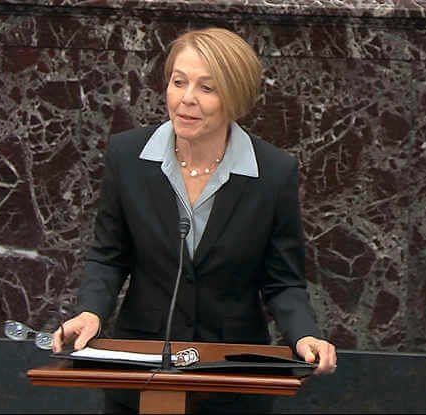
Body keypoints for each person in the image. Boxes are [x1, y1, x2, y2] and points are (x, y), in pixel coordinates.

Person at [53, 27, 337, 413]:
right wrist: (91, 312)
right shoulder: (127, 156)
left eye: (207, 88)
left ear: (234, 98)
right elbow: (108, 255)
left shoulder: (273, 172)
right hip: (143, 368)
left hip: (230, 374)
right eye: (178, 82)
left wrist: (304, 335)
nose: (187, 99)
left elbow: (283, 279)